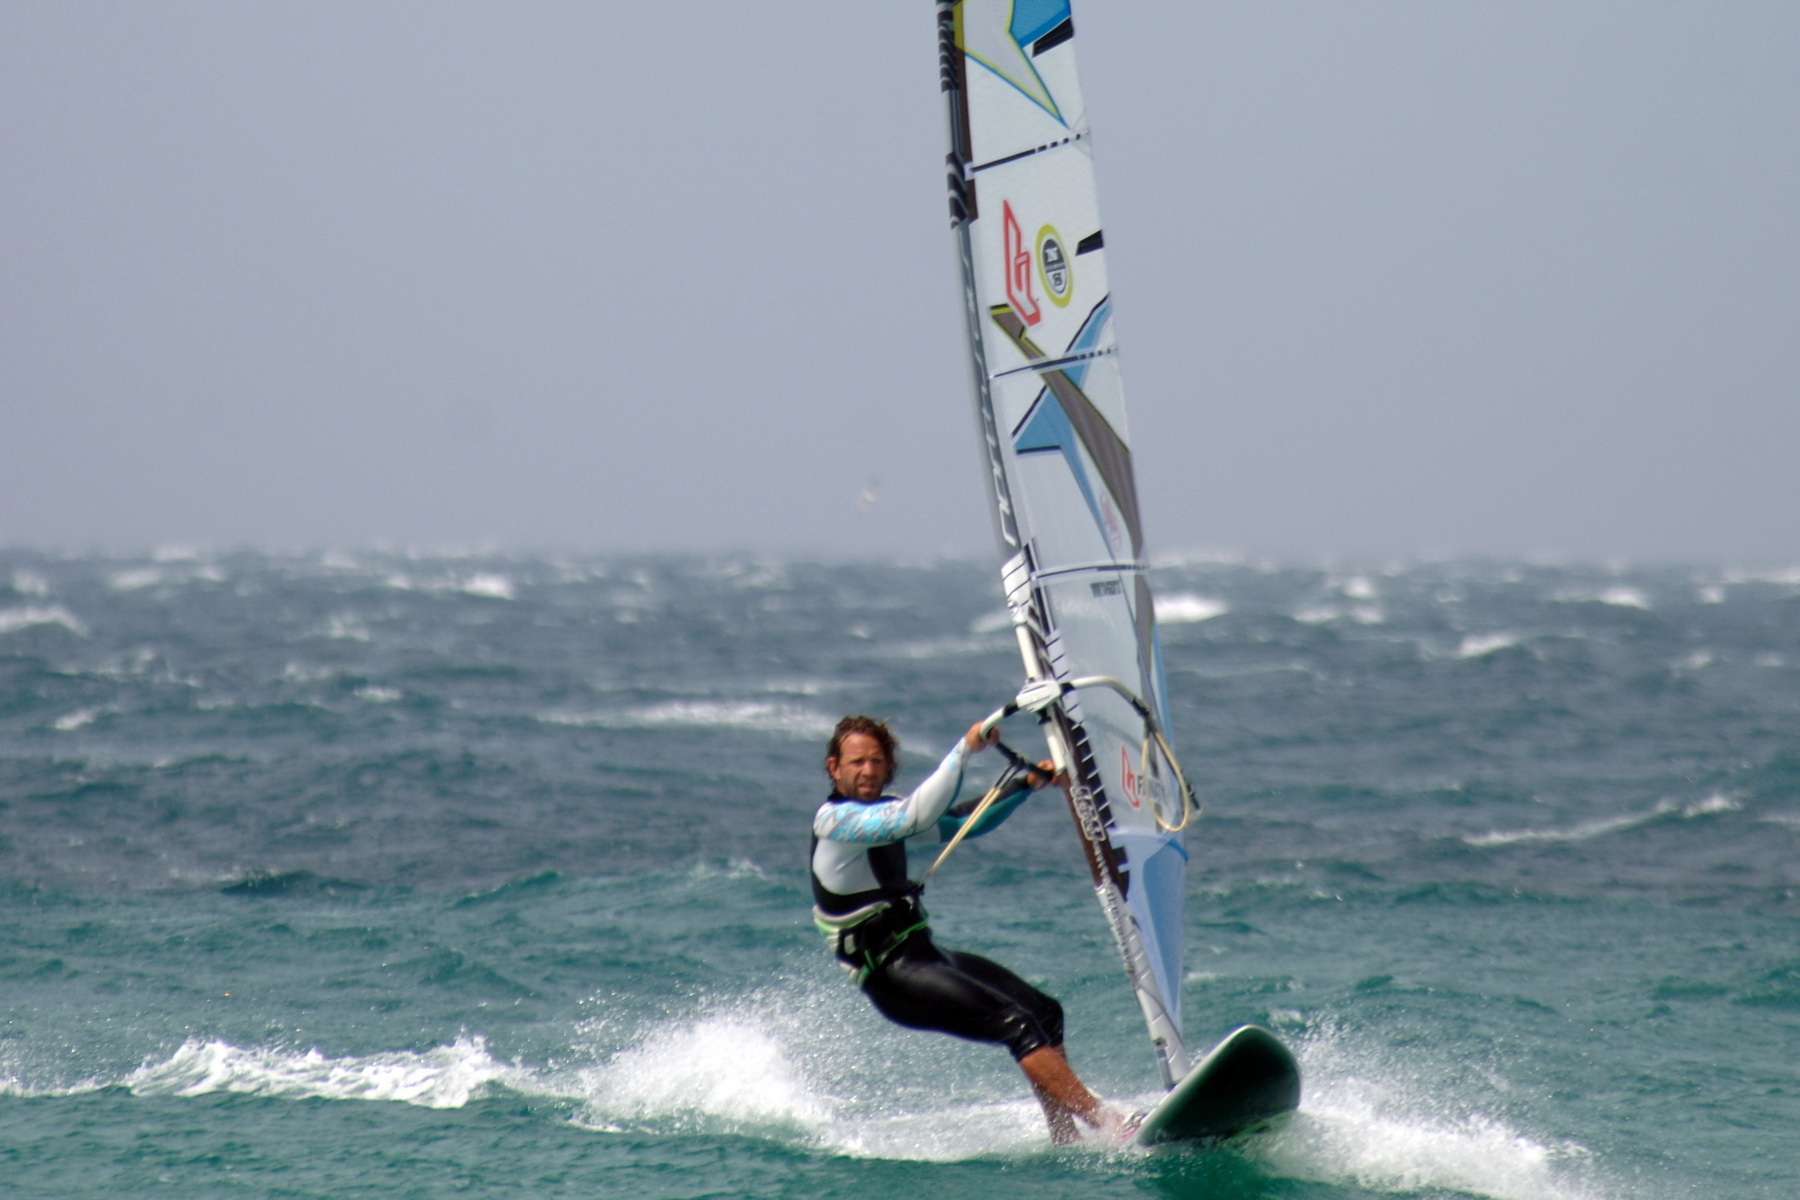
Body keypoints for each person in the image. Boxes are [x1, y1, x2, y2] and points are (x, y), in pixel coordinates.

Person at [809, 712, 1130, 1144]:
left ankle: (1065, 1137)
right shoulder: (835, 822)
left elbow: (961, 823)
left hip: (924, 955)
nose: (867, 771)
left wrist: (1025, 785)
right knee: (1015, 1023)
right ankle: (1107, 1122)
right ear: (834, 767)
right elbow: (909, 819)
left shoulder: (887, 812)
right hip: (892, 974)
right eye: (855, 762)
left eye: (876, 761)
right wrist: (966, 749)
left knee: (1045, 1012)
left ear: (887, 766)